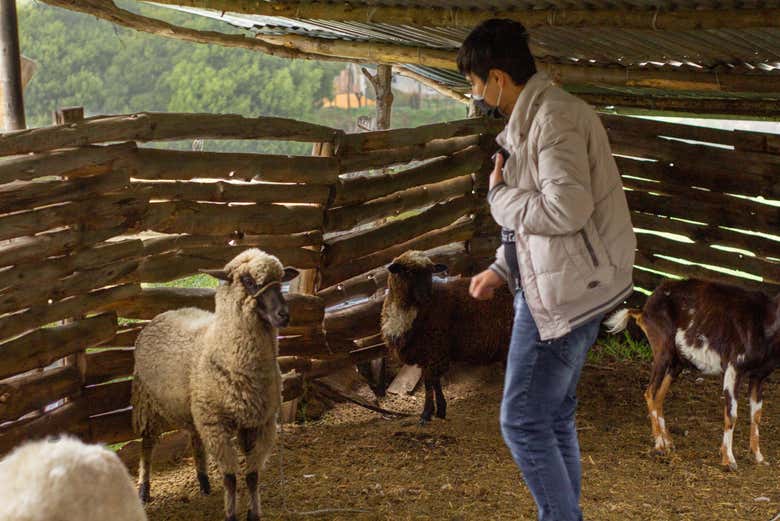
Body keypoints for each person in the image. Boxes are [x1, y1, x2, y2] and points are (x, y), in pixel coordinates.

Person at [458, 19, 637, 521]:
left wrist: (497, 198)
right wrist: (500, 266)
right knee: (554, 417)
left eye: (474, 82)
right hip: (569, 284)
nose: (473, 93)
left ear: (497, 76)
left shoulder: (553, 119)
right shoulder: (533, 117)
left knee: (521, 421)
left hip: (565, 296)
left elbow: (565, 211)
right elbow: (532, 224)